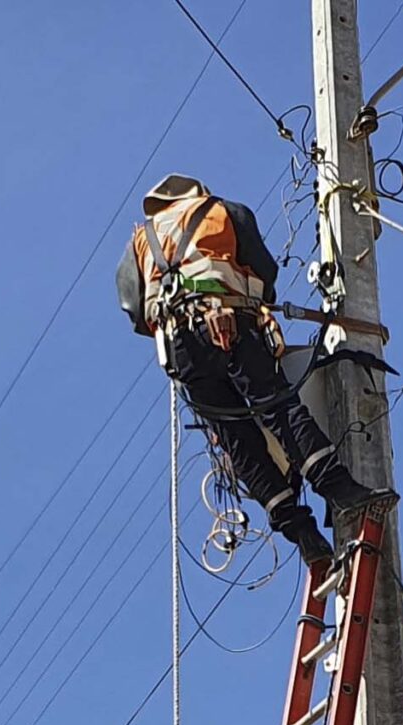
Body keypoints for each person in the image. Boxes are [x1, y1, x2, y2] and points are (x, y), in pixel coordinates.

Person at [116, 173, 386, 567]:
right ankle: (340, 488)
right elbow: (265, 274)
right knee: (277, 407)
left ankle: (301, 532)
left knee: (237, 441)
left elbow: (135, 312)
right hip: (231, 324)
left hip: (181, 349)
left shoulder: (140, 242)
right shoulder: (223, 211)